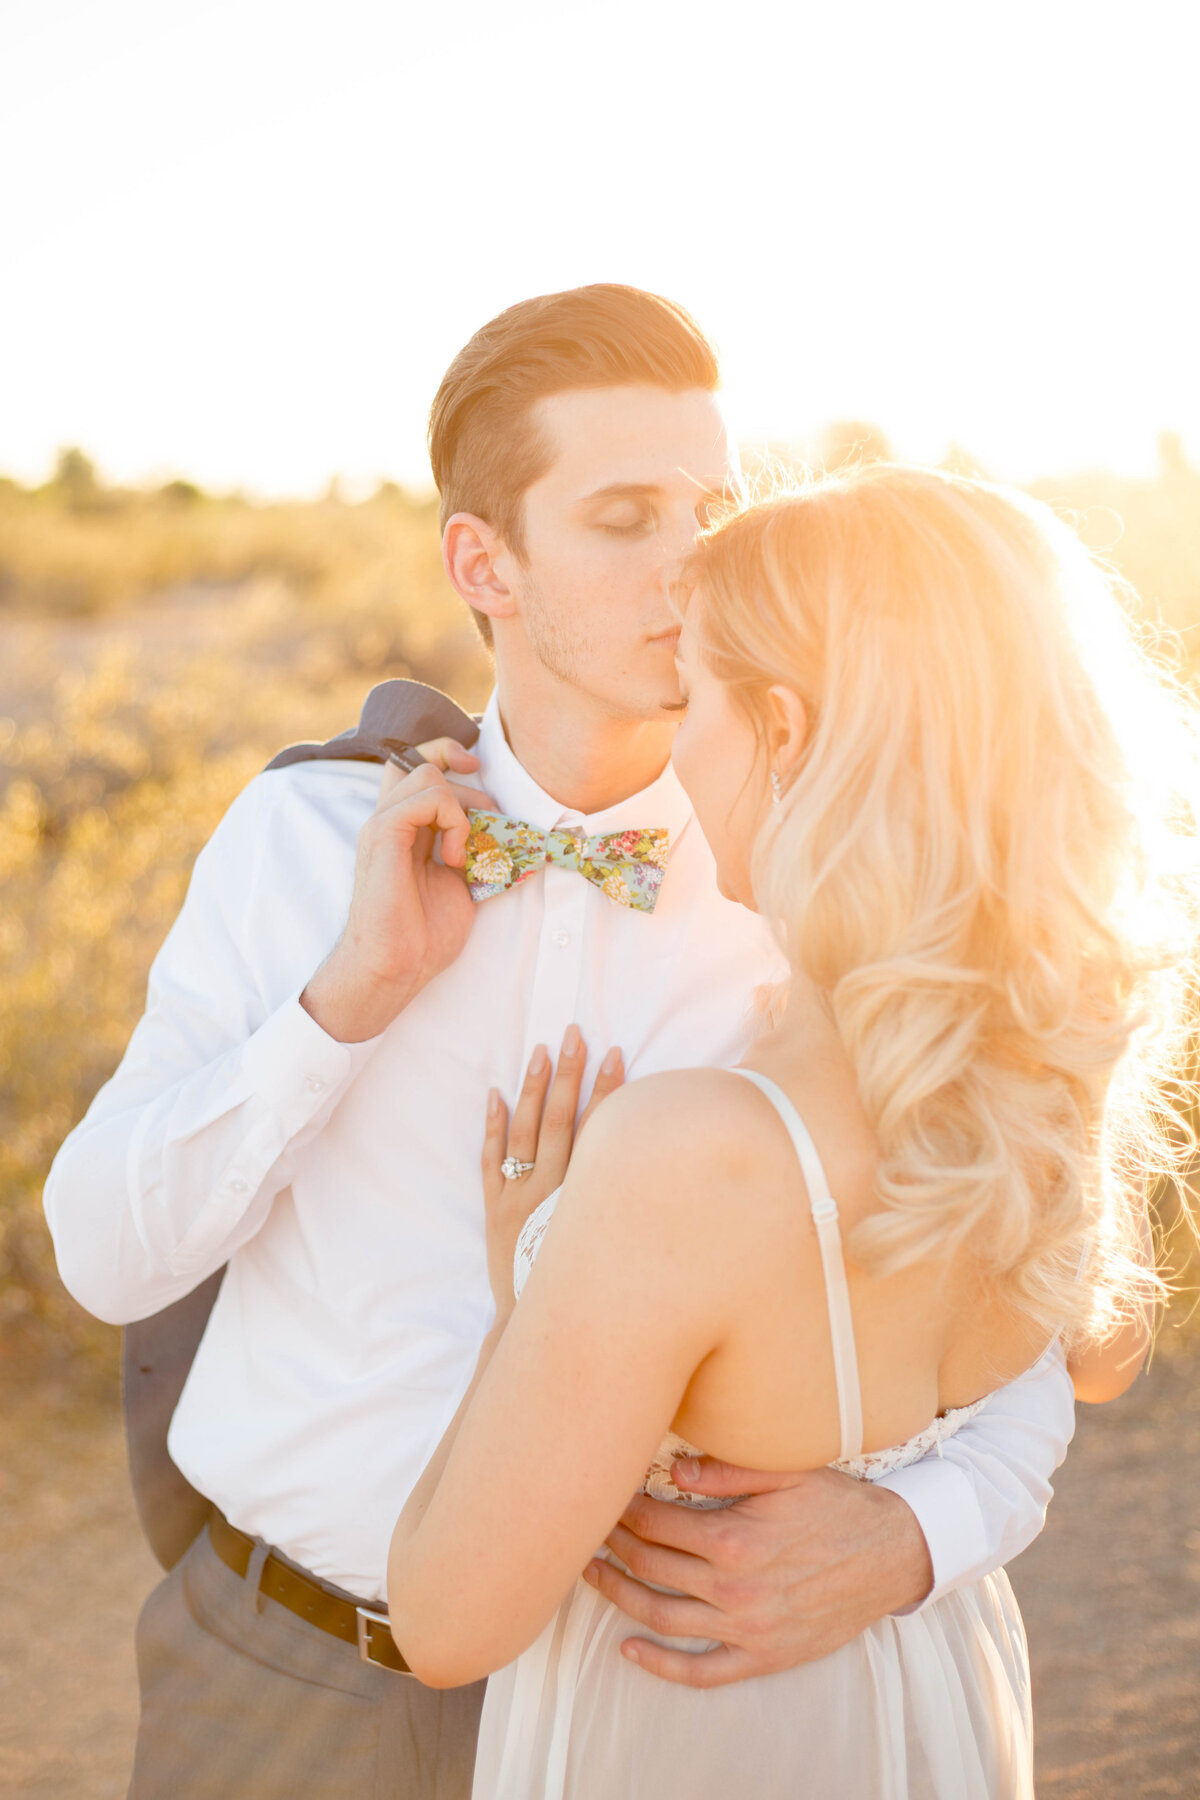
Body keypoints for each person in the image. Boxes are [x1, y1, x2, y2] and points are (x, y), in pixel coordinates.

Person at [46, 288, 1073, 1800]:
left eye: (714, 513)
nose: (691, 565)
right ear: (486, 562)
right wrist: (342, 1005)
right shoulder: (306, 837)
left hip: (637, 1708)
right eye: (623, 516)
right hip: (270, 1677)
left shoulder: (814, 890)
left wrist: (929, 1529)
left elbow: (1016, 1286)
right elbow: (104, 1259)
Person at [386, 463, 1197, 1797]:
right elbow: (1094, 1353)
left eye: (694, 693)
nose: (673, 741)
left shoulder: (687, 1154)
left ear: (786, 729)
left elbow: (444, 1620)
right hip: (936, 1692)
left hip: (701, 1733)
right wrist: (919, 1525)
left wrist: (526, 1270)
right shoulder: (1035, 1074)